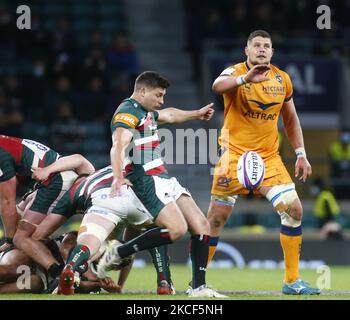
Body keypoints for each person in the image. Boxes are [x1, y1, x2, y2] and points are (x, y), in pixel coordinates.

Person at [207, 30, 320, 295]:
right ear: (246, 50)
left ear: (272, 52)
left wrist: (301, 153)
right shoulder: (233, 72)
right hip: (233, 156)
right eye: (256, 45)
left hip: (269, 158)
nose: (261, 49)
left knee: (294, 210)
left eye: (266, 46)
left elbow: (290, 119)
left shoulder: (282, 79)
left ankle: (292, 281)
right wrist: (245, 78)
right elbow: (217, 86)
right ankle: (197, 282)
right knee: (215, 219)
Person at [103, 71, 226, 298]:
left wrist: (196, 114)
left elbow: (169, 115)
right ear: (142, 91)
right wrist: (117, 176)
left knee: (201, 225)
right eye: (158, 95)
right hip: (145, 178)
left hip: (164, 177)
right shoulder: (127, 112)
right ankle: (118, 252)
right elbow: (118, 144)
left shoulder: (145, 112)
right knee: (177, 229)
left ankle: (198, 288)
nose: (161, 101)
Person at [31, 160, 175, 295]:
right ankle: (164, 282)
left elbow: (41, 233)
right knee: (152, 226)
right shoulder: (117, 172)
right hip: (132, 194)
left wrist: (37, 234)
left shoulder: (75, 192)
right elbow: (131, 244)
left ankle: (71, 269)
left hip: (101, 197)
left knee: (89, 241)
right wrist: (113, 283)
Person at [0, 135, 94, 282]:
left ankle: (57, 276)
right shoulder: (9, 146)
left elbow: (6, 202)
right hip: (54, 184)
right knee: (34, 236)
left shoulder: (3, 151)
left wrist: (9, 238)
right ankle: (69, 274)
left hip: (56, 182)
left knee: (22, 237)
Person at [0, 231, 121, 294]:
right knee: (17, 268)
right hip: (32, 257)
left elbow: (76, 286)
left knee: (36, 283)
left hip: (42, 279)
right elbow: (66, 248)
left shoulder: (98, 276)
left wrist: (99, 285)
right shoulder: (87, 239)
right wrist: (92, 277)